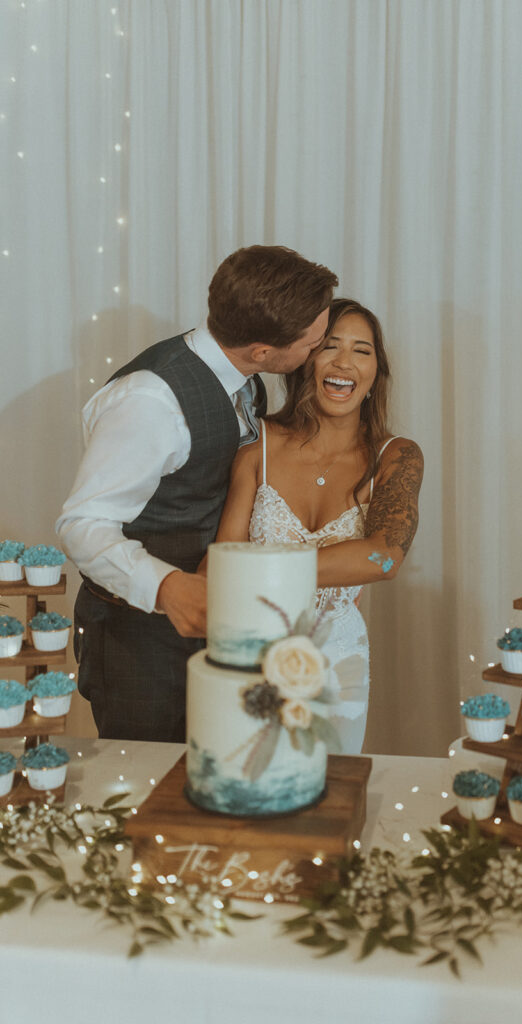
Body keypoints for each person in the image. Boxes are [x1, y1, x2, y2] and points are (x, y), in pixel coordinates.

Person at [56, 245, 338, 742]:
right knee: (146, 790)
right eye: (313, 344)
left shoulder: (245, 379)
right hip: (135, 639)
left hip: (213, 628)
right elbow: (82, 525)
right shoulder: (150, 401)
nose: (318, 351)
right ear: (263, 352)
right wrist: (166, 587)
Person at [211, 297, 423, 753]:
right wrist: (338, 563)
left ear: (375, 373)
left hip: (338, 666)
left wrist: (259, 568)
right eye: (330, 346)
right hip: (249, 654)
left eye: (362, 350)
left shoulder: (397, 457)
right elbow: (220, 569)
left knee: (331, 798)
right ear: (306, 360)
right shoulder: (256, 447)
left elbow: (383, 556)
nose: (344, 362)